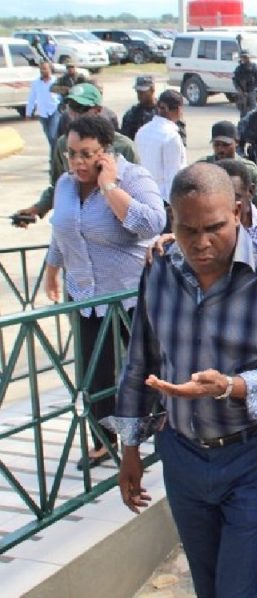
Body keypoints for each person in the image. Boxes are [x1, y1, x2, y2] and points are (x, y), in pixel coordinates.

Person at [109, 163, 257, 598]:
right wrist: (130, 450)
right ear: (171, 219)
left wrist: (231, 387)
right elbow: (139, 360)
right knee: (207, 585)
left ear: (237, 212)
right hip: (181, 454)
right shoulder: (158, 268)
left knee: (238, 588)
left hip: (252, 457)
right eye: (188, 229)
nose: (201, 243)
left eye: (215, 228)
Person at [43, 116, 165, 470]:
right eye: (71, 154)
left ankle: (159, 431)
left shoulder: (133, 177)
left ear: (106, 151)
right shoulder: (65, 185)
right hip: (85, 295)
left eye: (86, 154)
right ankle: (104, 441)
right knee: (94, 372)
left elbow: (152, 224)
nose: (78, 162)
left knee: (145, 368)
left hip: (130, 296)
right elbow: (63, 230)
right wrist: (52, 270)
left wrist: (109, 187)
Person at [12, 83, 139, 228]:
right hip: (76, 225)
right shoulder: (63, 144)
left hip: (113, 225)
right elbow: (58, 186)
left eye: (82, 108)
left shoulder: (124, 147)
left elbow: (137, 192)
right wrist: (37, 209)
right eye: (72, 108)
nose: (76, 114)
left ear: (97, 110)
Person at [198, 120, 257, 207]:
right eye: (216, 145)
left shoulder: (250, 170)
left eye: (225, 145)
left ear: (236, 142)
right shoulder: (202, 167)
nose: (221, 149)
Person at [135, 90, 187, 202]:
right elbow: (173, 174)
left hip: (143, 194)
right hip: (163, 199)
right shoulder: (171, 136)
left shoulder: (142, 131)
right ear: (179, 109)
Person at [25, 62, 60, 152]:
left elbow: (61, 96)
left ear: (50, 69)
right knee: (49, 137)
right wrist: (28, 113)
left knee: (53, 136)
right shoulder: (36, 83)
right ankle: (55, 155)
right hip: (43, 113)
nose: (43, 71)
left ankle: (54, 157)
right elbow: (32, 98)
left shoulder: (56, 81)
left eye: (45, 69)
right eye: (41, 69)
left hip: (54, 111)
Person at [120, 75, 157, 141]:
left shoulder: (163, 111)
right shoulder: (131, 114)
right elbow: (125, 139)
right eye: (138, 92)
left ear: (152, 90)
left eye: (142, 92)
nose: (139, 95)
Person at [232, 49, 257, 117]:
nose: (245, 59)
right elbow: (235, 80)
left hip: (252, 90)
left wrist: (256, 89)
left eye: (246, 57)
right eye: (243, 57)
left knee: (253, 110)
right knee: (243, 110)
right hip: (242, 92)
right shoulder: (239, 69)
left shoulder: (254, 67)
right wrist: (239, 90)